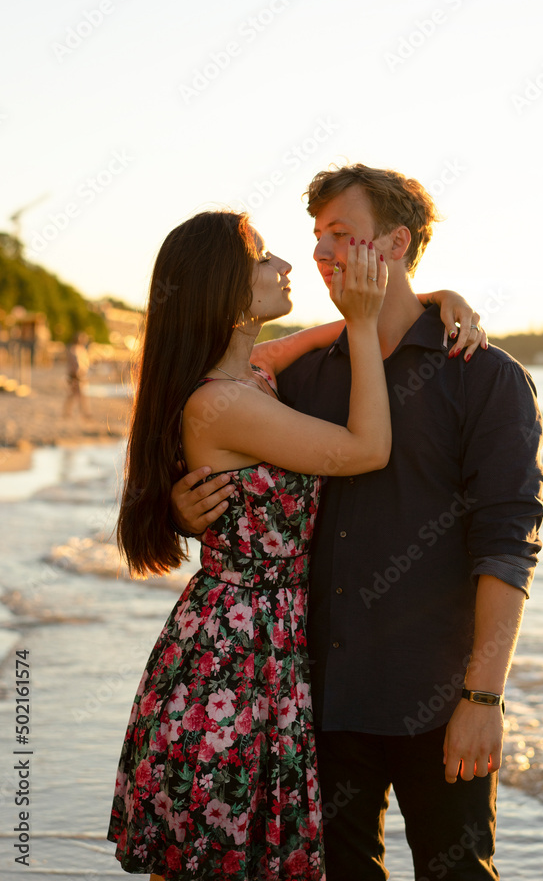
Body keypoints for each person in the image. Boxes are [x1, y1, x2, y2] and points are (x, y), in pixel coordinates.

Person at [172, 165, 543, 881]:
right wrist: (176, 502)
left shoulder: (486, 377)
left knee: (458, 872)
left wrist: (483, 696)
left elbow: (507, 545)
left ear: (396, 243)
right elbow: (197, 415)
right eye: (316, 238)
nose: (320, 255)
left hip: (436, 697)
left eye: (341, 236)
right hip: (314, 698)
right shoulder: (299, 377)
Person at [108, 209, 396, 880]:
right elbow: (367, 450)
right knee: (213, 857)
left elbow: (304, 343)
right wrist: (359, 320)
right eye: (263, 258)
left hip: (257, 650)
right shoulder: (223, 404)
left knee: (236, 857)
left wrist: (440, 300)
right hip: (229, 665)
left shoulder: (253, 374)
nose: (285, 267)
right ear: (226, 291)